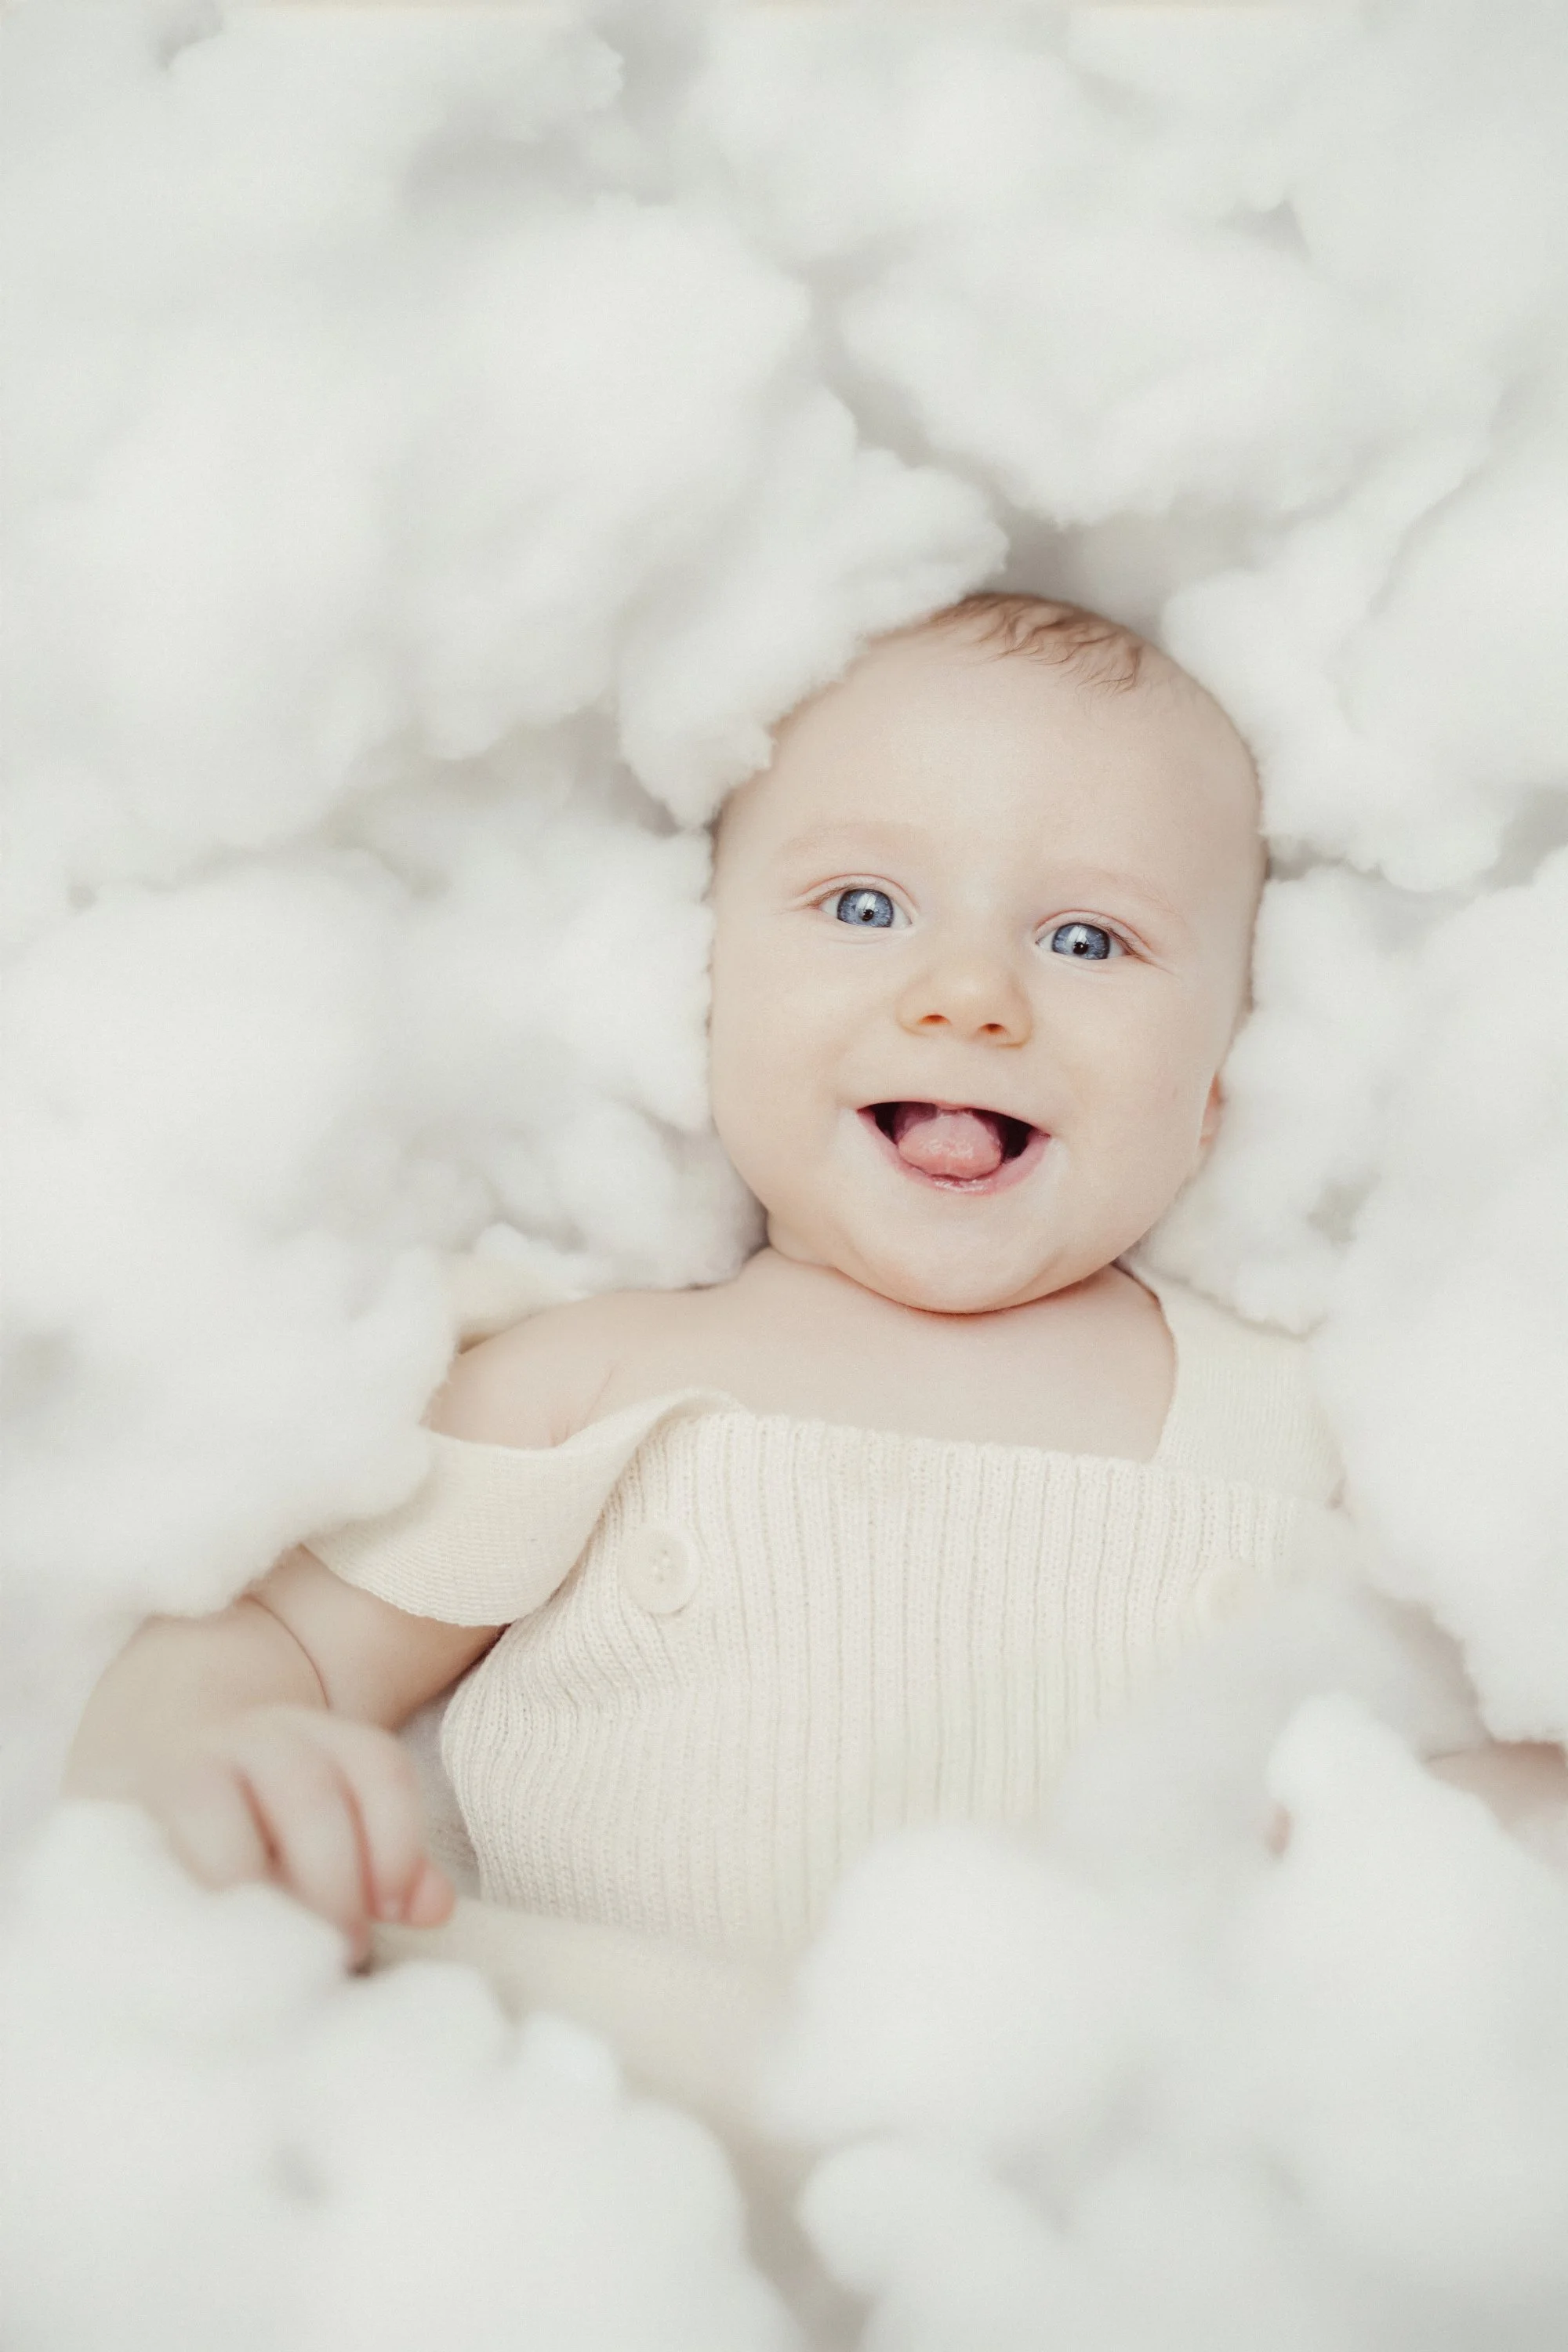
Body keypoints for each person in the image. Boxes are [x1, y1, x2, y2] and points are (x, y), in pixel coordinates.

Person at [62, 593, 1567, 2142]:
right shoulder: (595, 1376)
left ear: (1216, 1089)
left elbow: (1469, 1737)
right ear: (704, 988)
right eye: (863, 906)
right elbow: (276, 1643)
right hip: (597, 2117)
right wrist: (219, 1746)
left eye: (1085, 938)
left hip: (1100, 2171)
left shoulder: (1316, 1416)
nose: (971, 993)